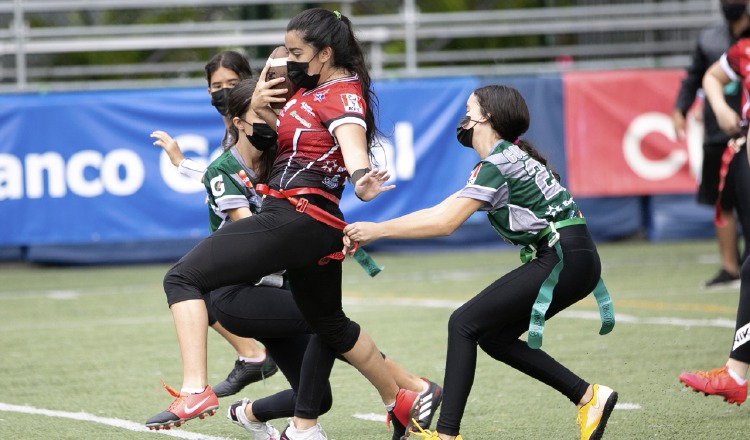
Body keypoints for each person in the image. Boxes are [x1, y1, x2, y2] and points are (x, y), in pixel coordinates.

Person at [147, 9, 422, 440]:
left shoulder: (340, 91)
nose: (286, 60)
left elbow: (350, 136)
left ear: (325, 53)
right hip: (318, 225)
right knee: (331, 325)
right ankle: (399, 399)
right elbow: (274, 149)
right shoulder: (308, 93)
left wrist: (360, 178)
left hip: (296, 216)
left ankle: (195, 389)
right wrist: (259, 105)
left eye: (296, 52)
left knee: (182, 278)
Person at [343, 85, 618, 440]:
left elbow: (445, 223)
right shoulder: (505, 158)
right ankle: (588, 396)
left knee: (463, 323)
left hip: (564, 257)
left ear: (485, 116)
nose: (464, 117)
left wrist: (378, 230)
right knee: (493, 337)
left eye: (469, 108)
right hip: (575, 257)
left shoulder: (496, 165)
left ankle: (446, 435)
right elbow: (443, 210)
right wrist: (376, 229)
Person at [152, 50, 279, 399]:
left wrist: (182, 165)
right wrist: (183, 164)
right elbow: (224, 175)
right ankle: (253, 355)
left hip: (271, 240)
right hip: (260, 236)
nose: (223, 92)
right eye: (216, 86)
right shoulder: (234, 129)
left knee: (189, 283)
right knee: (198, 289)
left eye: (232, 84)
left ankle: (404, 387)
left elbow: (232, 177)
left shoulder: (259, 124)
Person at [677, 26, 750, 407]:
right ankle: (736, 373)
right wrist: (721, 108)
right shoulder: (743, 50)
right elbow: (711, 75)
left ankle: (736, 374)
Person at [672, 0, 750, 290]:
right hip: (718, 133)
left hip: (744, 133)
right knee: (722, 201)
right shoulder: (711, 39)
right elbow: (698, 77)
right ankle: (730, 267)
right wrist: (681, 108)